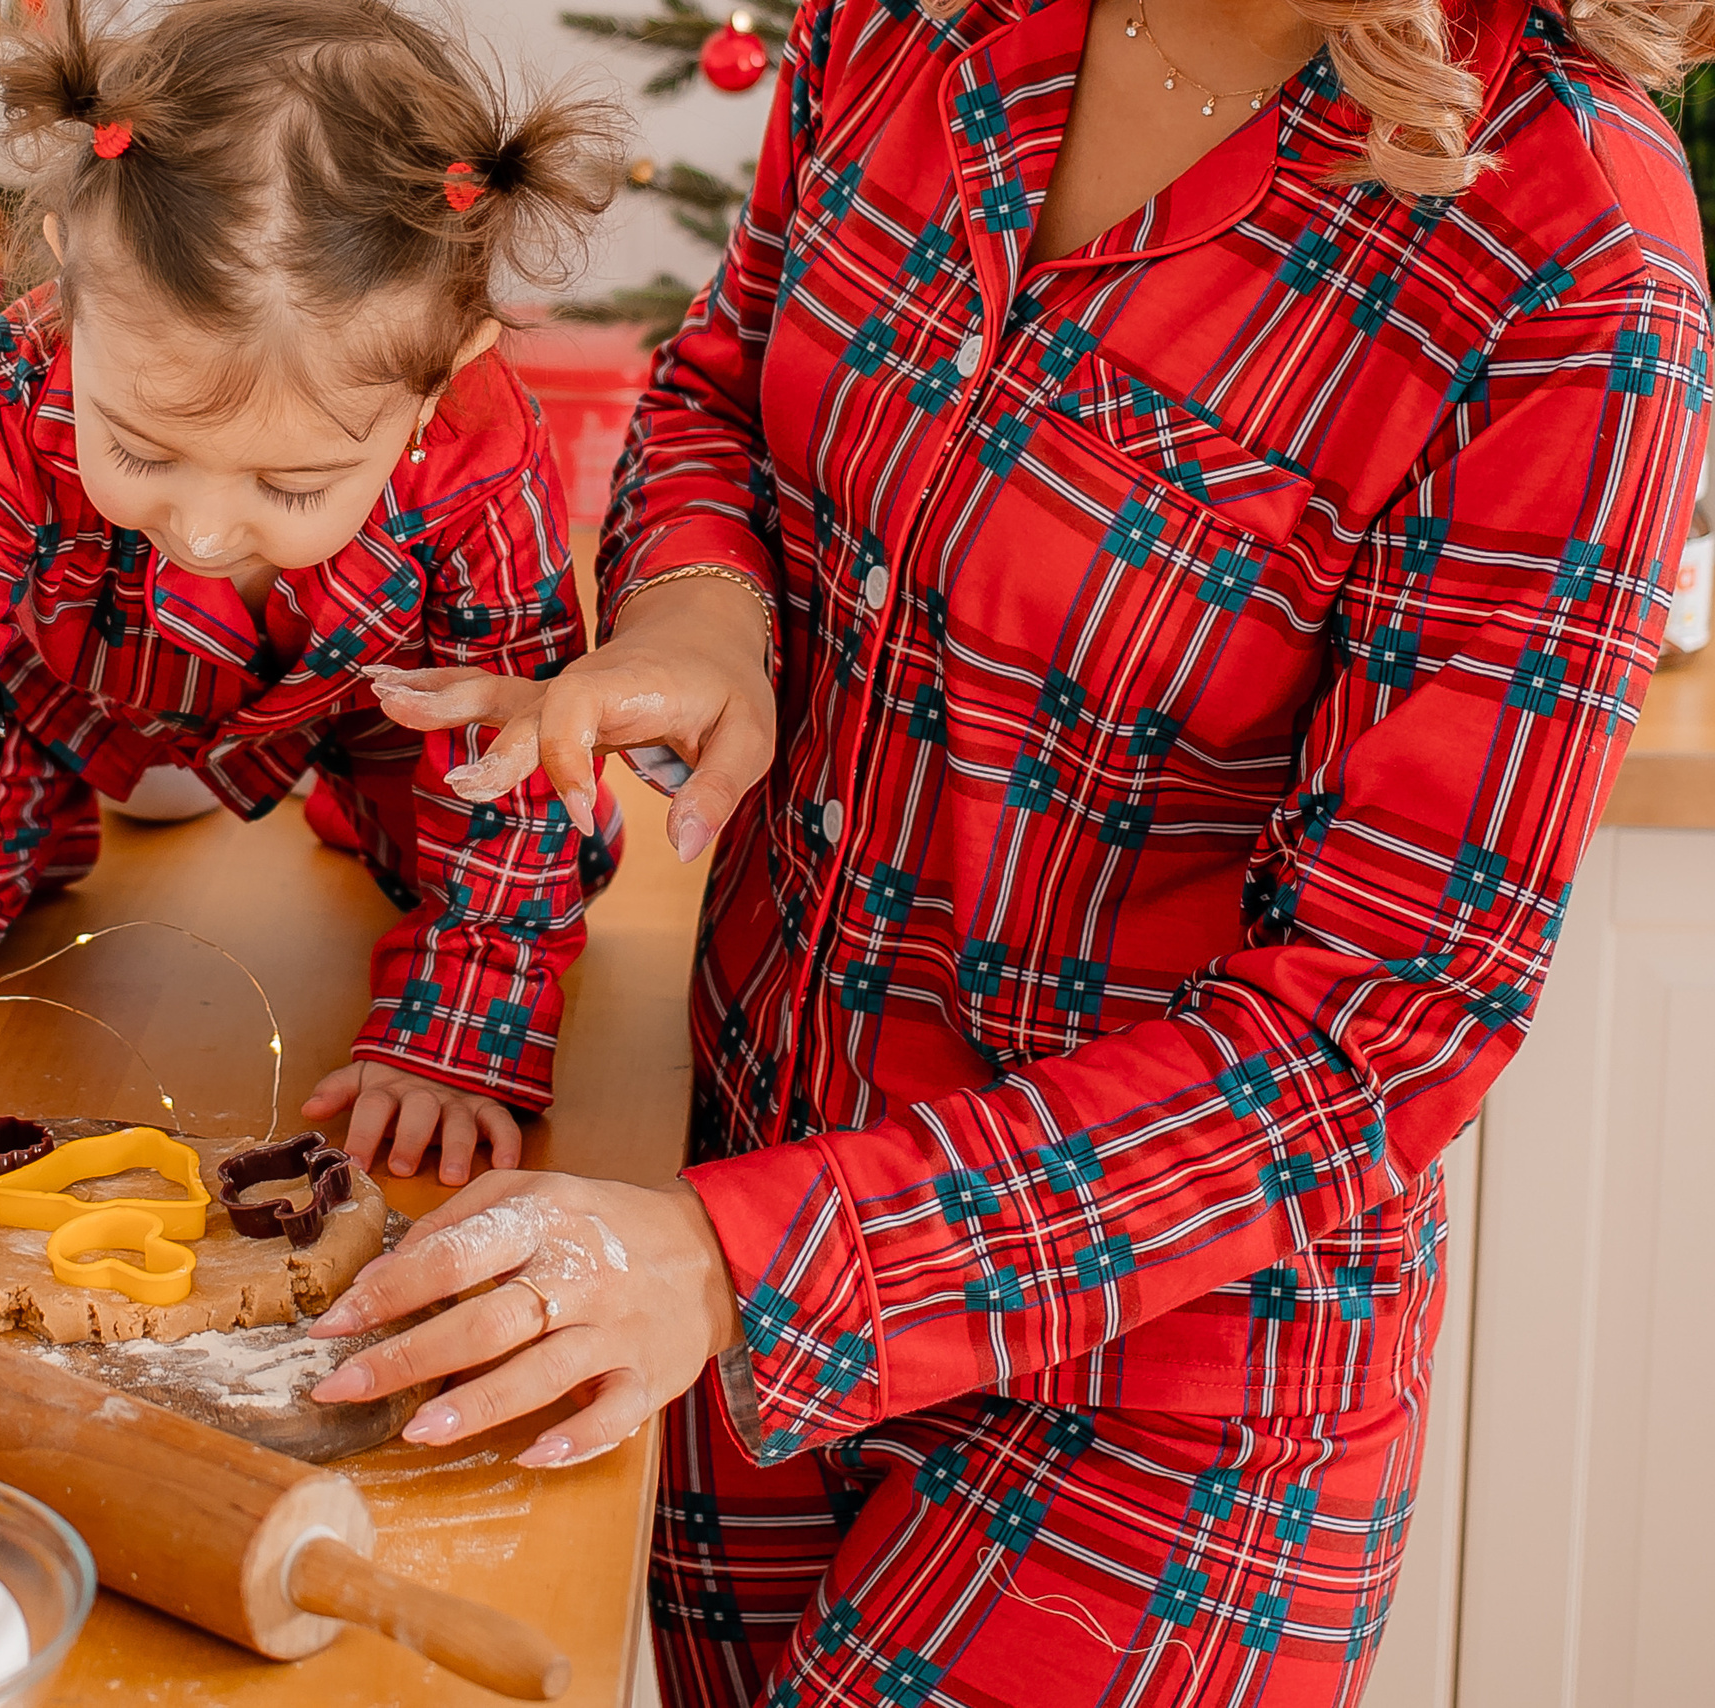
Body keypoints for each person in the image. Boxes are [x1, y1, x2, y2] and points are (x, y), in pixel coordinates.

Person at [308, 0, 1712, 1701]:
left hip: (1155, 1395)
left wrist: (747, 1257)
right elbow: (727, 374)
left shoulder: (1575, 262)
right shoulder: (909, 23)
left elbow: (1381, 1023)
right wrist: (706, 609)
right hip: (739, 1192)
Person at [0, 0, 629, 1230]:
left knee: (554, 857)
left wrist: (459, 1030)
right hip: (57, 699)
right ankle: (55, 823)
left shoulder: (485, 449)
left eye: (290, 485)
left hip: (374, 710)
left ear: (448, 364)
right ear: (66, 270)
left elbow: (516, 745)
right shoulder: (15, 388)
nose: (209, 532)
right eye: (143, 447)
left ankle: (351, 823)